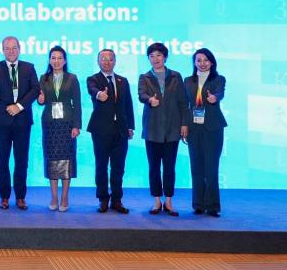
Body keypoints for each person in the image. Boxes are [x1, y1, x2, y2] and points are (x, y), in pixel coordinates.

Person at [0, 36, 39, 210]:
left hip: (22, 120)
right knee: (2, 160)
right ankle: (4, 197)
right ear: (2, 50)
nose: (11, 51)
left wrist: (19, 106)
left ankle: (21, 197)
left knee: (21, 160)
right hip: (1, 120)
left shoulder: (29, 67)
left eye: (14, 47)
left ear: (19, 48)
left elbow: (35, 90)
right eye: (7, 48)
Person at [137, 42, 189, 216]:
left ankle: (169, 201)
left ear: (165, 57)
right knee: (153, 167)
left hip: (172, 129)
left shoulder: (176, 76)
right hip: (152, 129)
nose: (155, 59)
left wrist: (184, 124)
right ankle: (157, 201)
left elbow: (183, 102)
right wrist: (149, 100)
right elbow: (141, 95)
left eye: (158, 55)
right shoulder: (144, 77)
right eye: (151, 56)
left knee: (169, 167)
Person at [86, 49, 135, 214]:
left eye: (110, 59)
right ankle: (103, 199)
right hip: (100, 130)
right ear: (98, 61)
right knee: (101, 166)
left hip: (120, 130)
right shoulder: (93, 79)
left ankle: (117, 200)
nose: (107, 62)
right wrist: (99, 94)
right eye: (103, 59)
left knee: (118, 167)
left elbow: (128, 104)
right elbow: (93, 90)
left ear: (115, 61)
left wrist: (130, 126)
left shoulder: (123, 80)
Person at [37, 46, 82, 211]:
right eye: (53, 58)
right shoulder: (43, 78)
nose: (56, 61)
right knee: (52, 160)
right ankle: (54, 197)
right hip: (50, 124)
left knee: (67, 159)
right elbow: (40, 101)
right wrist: (40, 100)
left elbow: (77, 103)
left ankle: (64, 197)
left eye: (59, 58)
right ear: (49, 60)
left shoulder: (72, 78)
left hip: (67, 124)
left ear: (65, 60)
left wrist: (76, 125)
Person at [184, 48, 227, 217]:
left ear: (212, 62)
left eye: (206, 60)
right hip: (193, 128)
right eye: (198, 60)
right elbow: (185, 105)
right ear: (194, 63)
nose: (202, 63)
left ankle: (213, 205)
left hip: (213, 128)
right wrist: (184, 126)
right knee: (196, 167)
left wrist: (214, 98)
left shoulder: (218, 79)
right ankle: (198, 204)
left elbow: (219, 93)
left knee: (211, 167)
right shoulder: (188, 81)